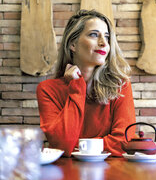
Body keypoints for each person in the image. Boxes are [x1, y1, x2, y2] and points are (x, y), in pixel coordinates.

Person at [36, 9, 136, 157]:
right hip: (65, 174)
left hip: (111, 172)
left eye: (107, 37)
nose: (104, 43)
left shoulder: (120, 85)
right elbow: (62, 145)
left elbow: (124, 141)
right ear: (73, 45)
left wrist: (79, 146)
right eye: (94, 35)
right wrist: (76, 87)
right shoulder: (47, 89)